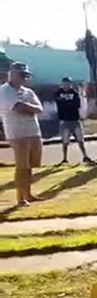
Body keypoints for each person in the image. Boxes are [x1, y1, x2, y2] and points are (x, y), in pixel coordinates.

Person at [0, 62, 44, 206]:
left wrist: (27, 107)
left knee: (30, 165)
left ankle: (28, 193)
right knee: (22, 166)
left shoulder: (28, 92)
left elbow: (39, 108)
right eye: (21, 75)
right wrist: (28, 107)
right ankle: (20, 197)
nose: (24, 78)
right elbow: (17, 107)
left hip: (33, 131)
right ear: (11, 74)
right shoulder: (4, 91)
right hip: (17, 133)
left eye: (26, 75)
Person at [55, 77, 91, 165]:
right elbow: (59, 104)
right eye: (65, 83)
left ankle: (85, 156)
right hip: (64, 120)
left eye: (68, 84)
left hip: (75, 119)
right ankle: (64, 158)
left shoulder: (74, 93)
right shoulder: (58, 93)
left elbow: (77, 105)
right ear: (62, 84)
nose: (66, 85)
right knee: (65, 141)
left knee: (80, 139)